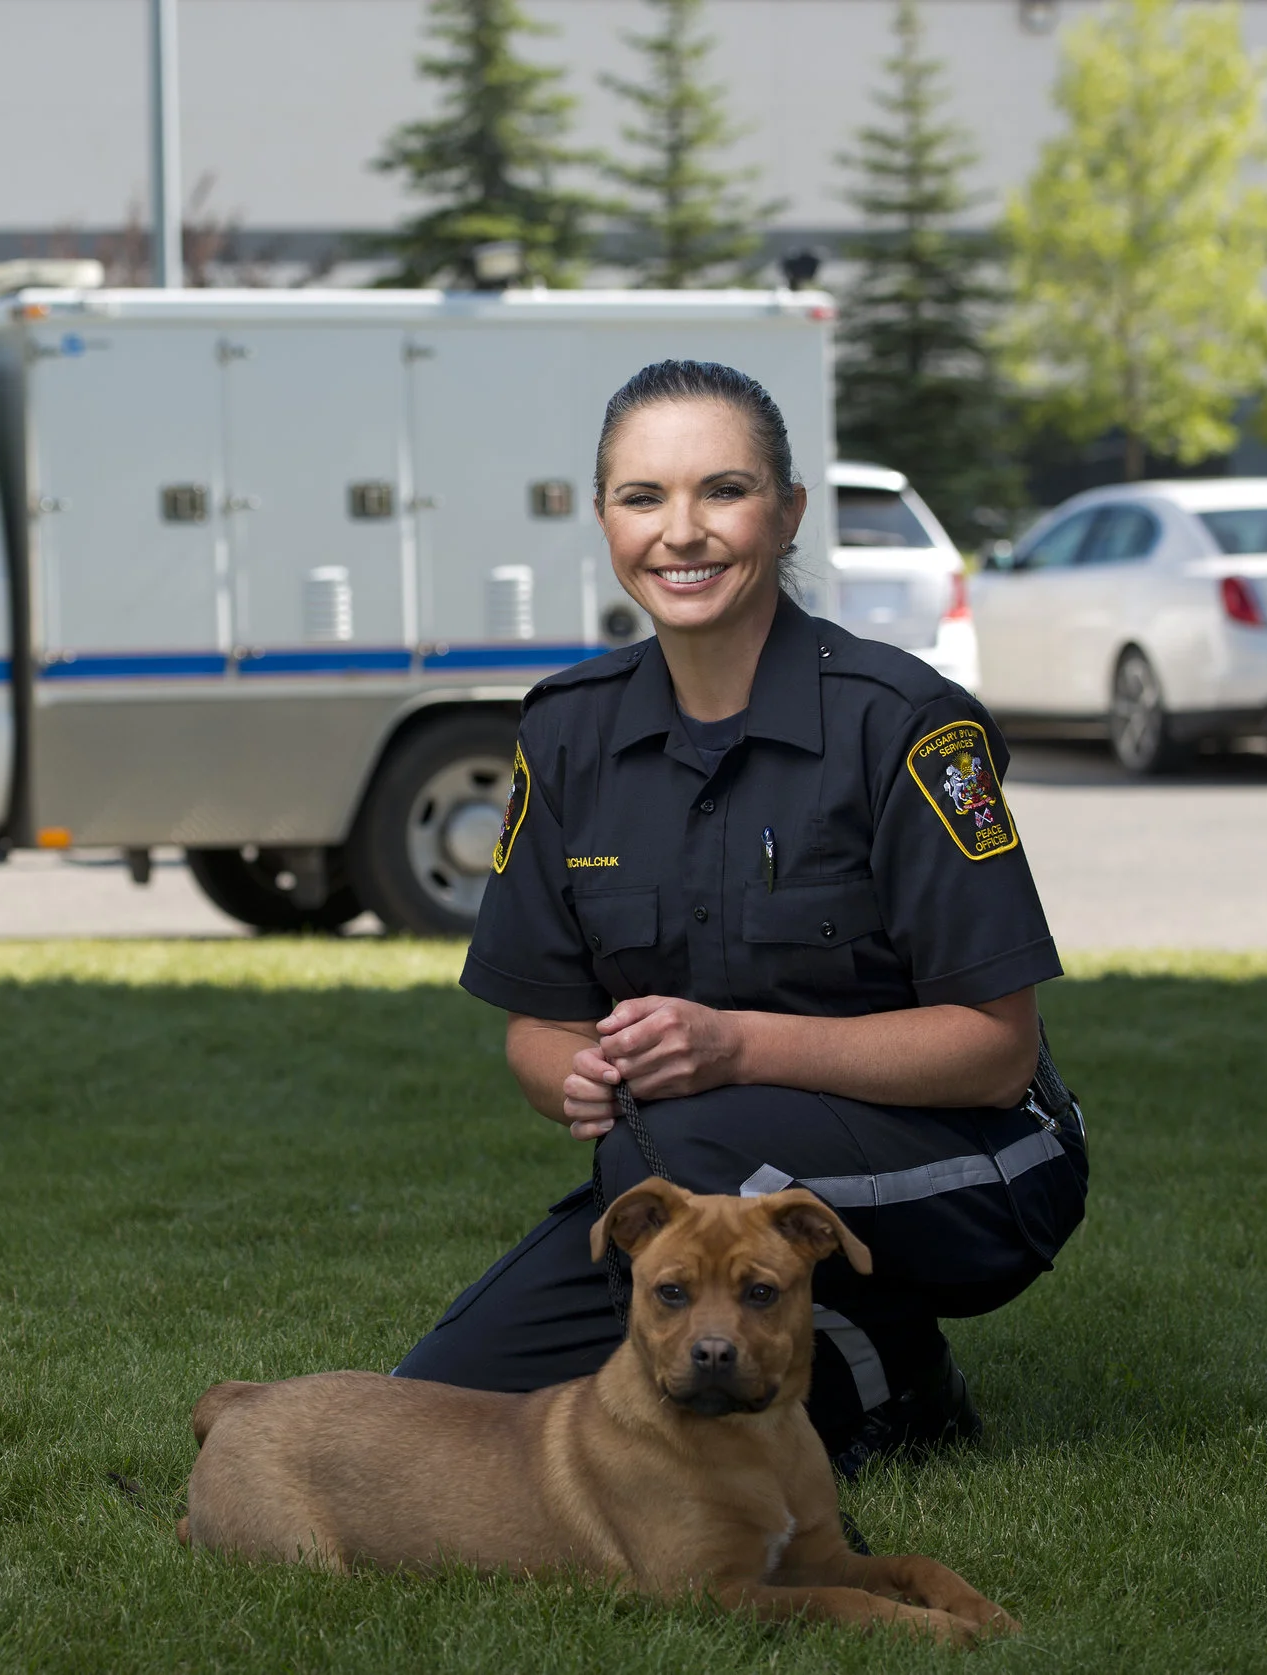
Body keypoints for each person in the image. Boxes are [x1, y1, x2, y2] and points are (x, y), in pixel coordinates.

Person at [393, 360, 1086, 1477]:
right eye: (642, 497)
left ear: (790, 510)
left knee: (676, 1152)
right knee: (433, 1410)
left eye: (722, 491)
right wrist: (565, 1074)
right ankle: (883, 1364)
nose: (681, 532)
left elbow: (995, 1052)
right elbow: (537, 1025)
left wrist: (733, 1046)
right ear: (603, 517)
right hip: (688, 1167)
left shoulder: (904, 724)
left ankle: (825, 1378)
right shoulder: (566, 732)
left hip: (979, 1163)